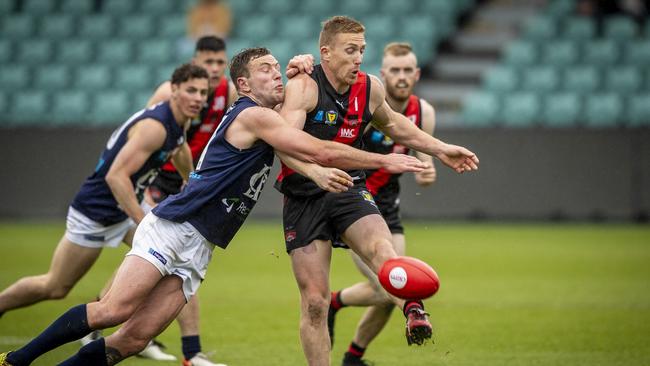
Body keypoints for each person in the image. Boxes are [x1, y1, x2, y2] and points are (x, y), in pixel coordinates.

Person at [0, 47, 427, 366]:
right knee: (113, 311)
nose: (277, 75)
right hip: (173, 227)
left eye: (279, 68)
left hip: (200, 245)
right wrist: (384, 159)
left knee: (130, 341)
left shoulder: (272, 115)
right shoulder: (252, 115)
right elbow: (320, 149)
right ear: (243, 85)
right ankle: (17, 360)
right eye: (266, 70)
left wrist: (303, 67)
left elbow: (304, 107)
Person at [273, 16, 479, 366]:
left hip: (349, 188)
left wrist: (441, 149)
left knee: (382, 247)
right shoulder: (304, 87)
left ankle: (413, 308)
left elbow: (397, 125)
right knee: (315, 302)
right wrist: (317, 171)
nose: (358, 58)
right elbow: (286, 143)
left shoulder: (370, 88)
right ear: (325, 52)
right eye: (350, 50)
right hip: (304, 195)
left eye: (362, 51)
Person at [0, 63, 206, 362]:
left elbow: (180, 147)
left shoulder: (179, 120)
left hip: (125, 207)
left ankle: (185, 349)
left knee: (173, 265)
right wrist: (144, 220)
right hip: (96, 210)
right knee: (56, 286)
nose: (198, 97)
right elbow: (115, 177)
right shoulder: (155, 126)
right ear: (173, 90)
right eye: (191, 90)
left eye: (202, 92)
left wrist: (192, 179)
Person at [80, 36, 237, 366]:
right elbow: (149, 131)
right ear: (195, 61)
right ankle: (184, 350)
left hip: (186, 184)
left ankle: (120, 332)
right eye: (207, 61)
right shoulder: (170, 93)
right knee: (162, 264)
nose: (213, 69)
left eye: (219, 62)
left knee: (167, 266)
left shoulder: (228, 93)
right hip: (158, 183)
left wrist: (193, 178)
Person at [327, 42, 438, 366]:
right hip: (356, 205)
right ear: (383, 74)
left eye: (408, 70)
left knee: (387, 290)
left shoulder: (423, 112)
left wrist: (427, 173)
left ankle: (350, 346)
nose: (402, 77)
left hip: (388, 208)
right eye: (395, 70)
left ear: (416, 74)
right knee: (393, 281)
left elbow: (421, 159)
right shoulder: (366, 104)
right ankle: (415, 310)